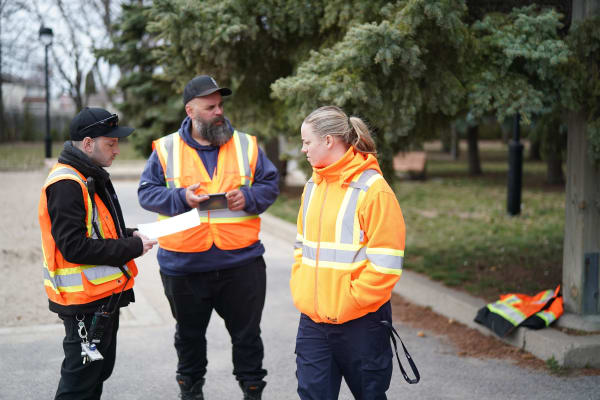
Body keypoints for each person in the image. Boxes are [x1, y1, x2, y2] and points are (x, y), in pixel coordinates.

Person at [138, 75, 279, 400]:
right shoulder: (166, 149)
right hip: (184, 266)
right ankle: (191, 393)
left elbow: (269, 184)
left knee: (247, 338)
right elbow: (147, 193)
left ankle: (252, 392)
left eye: (221, 105)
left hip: (241, 264)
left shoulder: (246, 144)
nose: (219, 112)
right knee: (188, 338)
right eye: (210, 106)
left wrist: (249, 197)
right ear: (190, 110)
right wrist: (180, 199)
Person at [38, 107, 157, 400]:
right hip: (84, 305)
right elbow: (74, 246)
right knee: (78, 386)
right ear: (88, 144)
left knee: (94, 377)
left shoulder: (87, 174)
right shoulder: (68, 183)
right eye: (111, 143)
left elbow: (97, 229)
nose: (117, 150)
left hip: (100, 300)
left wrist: (130, 235)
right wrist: (131, 247)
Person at [291, 106, 407, 399]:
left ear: (328, 141)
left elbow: (386, 263)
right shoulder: (312, 187)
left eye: (307, 142)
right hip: (314, 324)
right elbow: (300, 246)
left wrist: (349, 303)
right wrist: (302, 290)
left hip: (361, 323)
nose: (303, 149)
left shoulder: (373, 190)